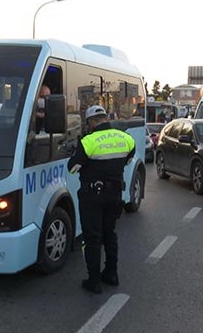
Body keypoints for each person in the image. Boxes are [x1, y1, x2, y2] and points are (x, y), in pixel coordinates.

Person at [67, 105, 135, 294]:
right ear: (106, 118)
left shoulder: (88, 141)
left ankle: (94, 280)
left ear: (90, 122)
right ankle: (111, 274)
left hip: (92, 196)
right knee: (110, 234)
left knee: (92, 237)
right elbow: (128, 159)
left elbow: (72, 168)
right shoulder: (125, 138)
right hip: (115, 195)